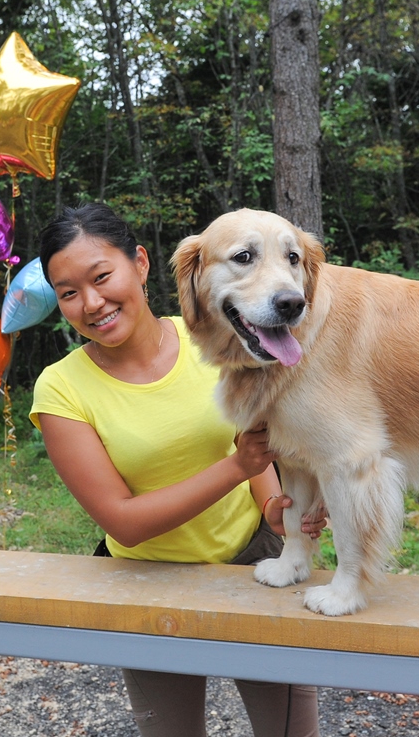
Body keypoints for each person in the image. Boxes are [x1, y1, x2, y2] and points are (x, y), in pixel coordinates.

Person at [29, 202, 324, 737]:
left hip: (254, 563)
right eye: (68, 293)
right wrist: (237, 469)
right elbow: (123, 521)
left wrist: (273, 510)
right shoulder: (60, 388)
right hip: (146, 583)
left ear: (140, 264)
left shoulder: (211, 339)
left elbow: (248, 441)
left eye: (102, 277)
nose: (91, 303)